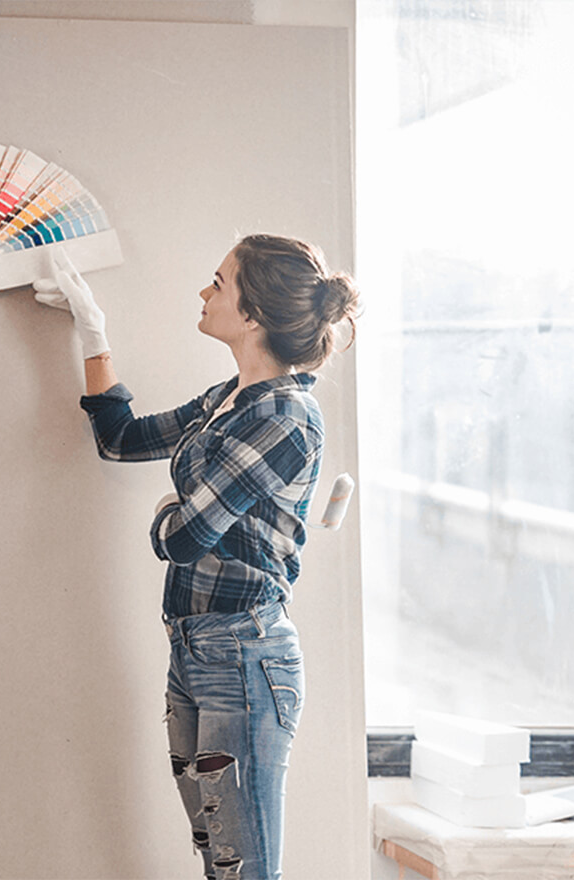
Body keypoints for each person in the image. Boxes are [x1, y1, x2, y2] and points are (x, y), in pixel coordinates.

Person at [33, 235, 360, 880]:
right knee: (221, 862)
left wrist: (164, 517)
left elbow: (185, 538)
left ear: (252, 314)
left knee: (245, 871)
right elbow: (120, 439)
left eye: (218, 282)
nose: (204, 292)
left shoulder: (287, 418)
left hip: (244, 655)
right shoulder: (227, 400)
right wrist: (90, 327)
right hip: (195, 650)